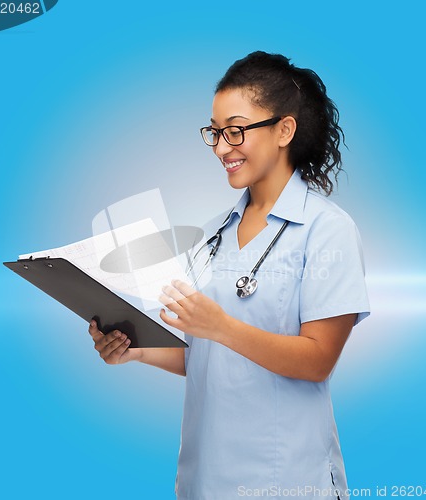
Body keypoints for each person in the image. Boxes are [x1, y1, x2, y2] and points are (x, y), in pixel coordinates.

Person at [88, 51, 370, 499]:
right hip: (205, 478)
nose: (221, 147)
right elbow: (210, 358)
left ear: (284, 129)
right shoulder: (213, 233)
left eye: (235, 130)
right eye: (215, 133)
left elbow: (317, 360)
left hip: (285, 477)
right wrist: (137, 350)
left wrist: (221, 326)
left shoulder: (326, 229)